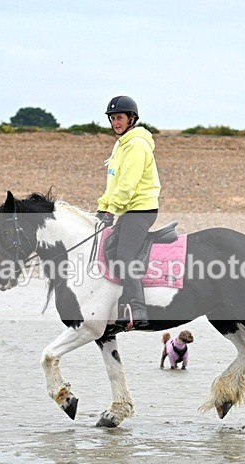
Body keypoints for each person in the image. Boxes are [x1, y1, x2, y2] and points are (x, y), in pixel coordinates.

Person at [96, 95, 161, 330]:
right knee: (110, 247)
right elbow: (113, 183)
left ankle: (138, 309)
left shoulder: (136, 145)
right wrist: (103, 206)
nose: (115, 122)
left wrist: (112, 210)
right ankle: (118, 304)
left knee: (125, 255)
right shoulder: (121, 145)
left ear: (131, 118)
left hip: (141, 209)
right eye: (112, 118)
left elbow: (127, 185)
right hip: (128, 210)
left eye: (119, 118)